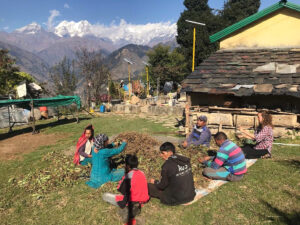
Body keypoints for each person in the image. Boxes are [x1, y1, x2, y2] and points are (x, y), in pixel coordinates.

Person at [102, 154, 149, 225]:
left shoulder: (128, 176)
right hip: (142, 200)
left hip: (132, 201)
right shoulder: (142, 173)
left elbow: (120, 190)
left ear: (128, 166)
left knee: (105, 196)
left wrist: (124, 175)